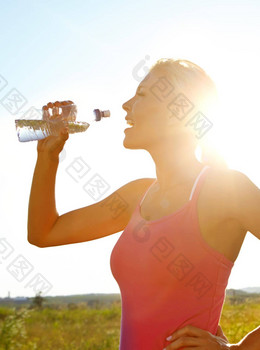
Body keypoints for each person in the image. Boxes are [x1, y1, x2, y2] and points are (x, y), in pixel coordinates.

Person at [27, 58, 260, 349]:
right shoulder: (136, 196)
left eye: (142, 95)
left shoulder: (226, 190)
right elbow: (43, 233)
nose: (125, 105)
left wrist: (242, 348)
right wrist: (47, 157)